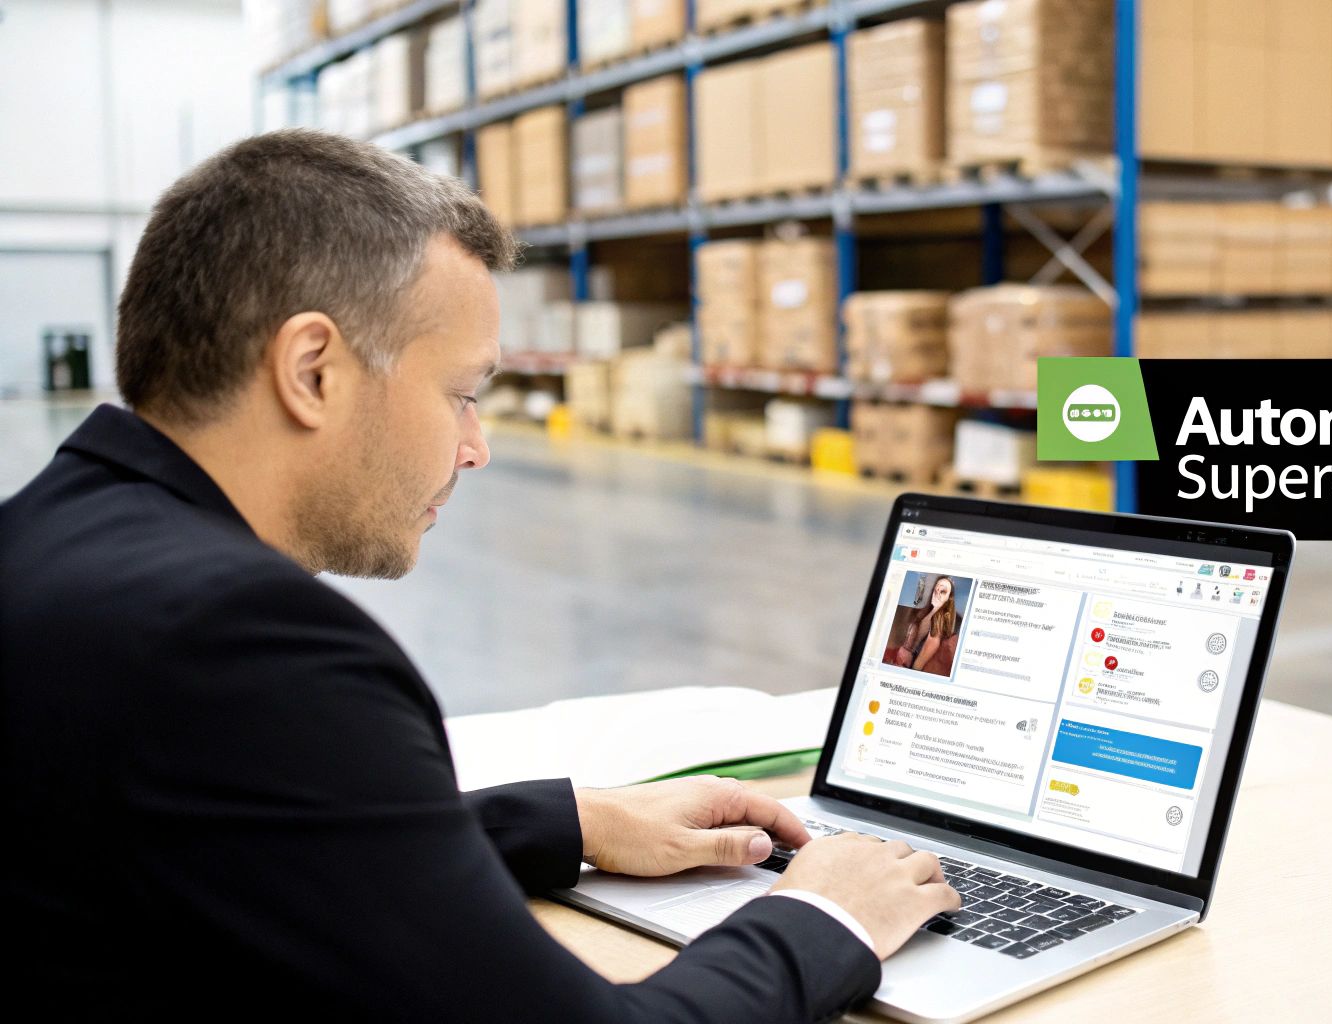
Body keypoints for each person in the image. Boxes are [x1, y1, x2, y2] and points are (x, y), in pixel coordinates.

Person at [0, 129, 958, 1020]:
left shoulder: (50, 546)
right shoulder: (239, 641)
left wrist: (571, 821)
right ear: (313, 370)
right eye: (461, 394)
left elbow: (261, 825)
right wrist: (831, 916)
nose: (476, 447)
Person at [887, 576, 961, 675]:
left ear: (948, 598)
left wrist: (913, 671)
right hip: (898, 655)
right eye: (936, 588)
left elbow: (931, 645)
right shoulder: (928, 611)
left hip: (906, 663)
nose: (937, 592)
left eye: (943, 591)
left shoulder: (941, 617)